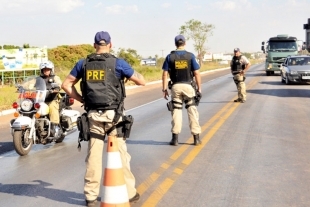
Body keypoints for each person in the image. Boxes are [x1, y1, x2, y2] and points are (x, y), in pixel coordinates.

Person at [61, 31, 145, 207]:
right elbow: (141, 81)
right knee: (121, 155)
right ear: (111, 45)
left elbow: (66, 85)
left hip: (93, 116)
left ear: (94, 45)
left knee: (93, 157)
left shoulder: (83, 64)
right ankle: (130, 193)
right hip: (114, 117)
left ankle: (91, 196)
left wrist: (81, 99)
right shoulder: (118, 63)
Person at [162, 34, 202, 146]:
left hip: (175, 87)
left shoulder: (170, 57)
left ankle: (175, 139)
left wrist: (164, 89)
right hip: (188, 86)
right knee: (192, 111)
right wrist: (199, 88)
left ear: (175, 44)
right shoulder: (190, 56)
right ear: (185, 43)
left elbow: (165, 74)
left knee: (176, 111)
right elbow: (197, 73)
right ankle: (196, 138)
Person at [39, 60, 62, 138]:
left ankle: (54, 126)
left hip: (52, 99)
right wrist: (22, 87)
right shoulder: (39, 79)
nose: (46, 71)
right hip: (41, 100)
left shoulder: (55, 77)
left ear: (51, 70)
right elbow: (30, 84)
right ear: (42, 70)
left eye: (48, 69)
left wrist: (56, 88)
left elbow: (59, 84)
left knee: (52, 108)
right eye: (44, 70)